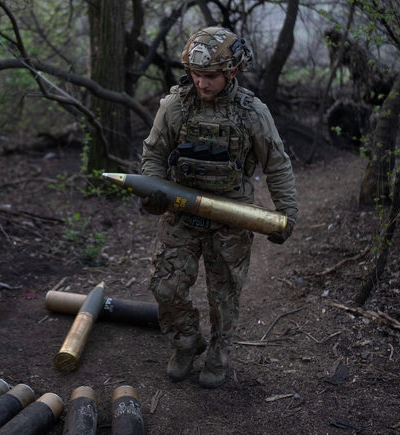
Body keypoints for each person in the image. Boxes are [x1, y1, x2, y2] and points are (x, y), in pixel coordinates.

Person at [140, 26, 298, 388]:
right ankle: (186, 342)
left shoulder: (252, 113)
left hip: (231, 214)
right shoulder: (175, 106)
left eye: (209, 76)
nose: (201, 83)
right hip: (182, 209)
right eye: (196, 75)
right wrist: (155, 187)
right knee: (165, 287)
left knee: (224, 294)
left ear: (232, 72)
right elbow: (154, 153)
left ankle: (219, 351)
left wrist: (286, 214)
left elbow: (276, 162)